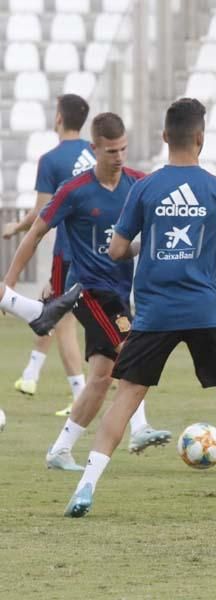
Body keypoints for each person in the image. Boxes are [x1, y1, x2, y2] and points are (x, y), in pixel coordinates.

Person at [62, 98, 216, 518]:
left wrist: (147, 248)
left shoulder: (144, 187)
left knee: (126, 397)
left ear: (165, 137)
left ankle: (85, 489)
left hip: (154, 312)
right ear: (200, 138)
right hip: (206, 308)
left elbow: (115, 250)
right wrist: (204, 263)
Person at [3, 113, 171, 471]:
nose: (120, 156)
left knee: (100, 379)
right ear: (94, 148)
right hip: (88, 290)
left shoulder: (138, 184)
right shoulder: (74, 190)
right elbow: (35, 233)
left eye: (124, 149)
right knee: (132, 347)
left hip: (119, 291)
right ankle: (139, 427)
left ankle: (60, 450)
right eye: (112, 150)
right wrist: (11, 280)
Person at [2, 94, 92, 416]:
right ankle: (33, 374)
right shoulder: (99, 154)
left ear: (58, 118)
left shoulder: (52, 160)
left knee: (60, 319)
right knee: (72, 315)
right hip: (99, 252)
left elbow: (41, 212)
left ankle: (80, 395)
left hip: (66, 252)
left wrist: (15, 228)